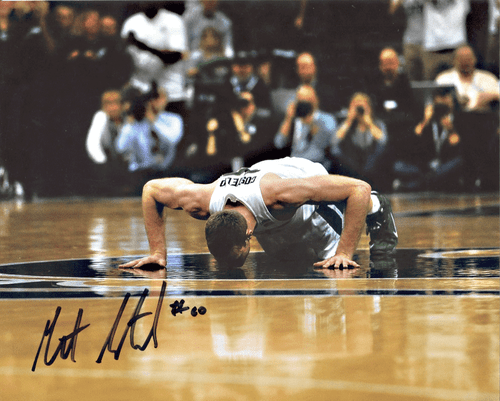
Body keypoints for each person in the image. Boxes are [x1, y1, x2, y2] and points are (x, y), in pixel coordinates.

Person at [119, 157, 398, 271]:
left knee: (331, 264)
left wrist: (345, 252)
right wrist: (158, 252)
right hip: (262, 189)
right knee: (288, 263)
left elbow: (358, 189)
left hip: (301, 178)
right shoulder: (201, 201)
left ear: (248, 237)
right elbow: (151, 189)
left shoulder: (280, 195)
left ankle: (378, 206)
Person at [393, 87, 464, 191]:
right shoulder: (428, 121)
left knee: (459, 162)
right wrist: (425, 122)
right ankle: (430, 182)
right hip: (426, 166)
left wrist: (451, 130)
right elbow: (410, 146)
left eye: (446, 102)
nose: (442, 107)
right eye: (439, 103)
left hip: (445, 165)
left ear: (452, 103)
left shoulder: (458, 120)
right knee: (398, 166)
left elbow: (460, 148)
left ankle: (413, 185)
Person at [115, 83, 184, 182]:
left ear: (166, 100)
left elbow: (172, 140)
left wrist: (154, 121)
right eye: (153, 98)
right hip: (139, 174)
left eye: (160, 97)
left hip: (165, 173)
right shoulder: (137, 122)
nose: (155, 102)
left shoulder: (173, 119)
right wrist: (130, 124)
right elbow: (121, 148)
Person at [329, 92, 389, 189]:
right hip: (351, 164)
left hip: (371, 164)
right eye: (356, 106)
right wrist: (349, 121)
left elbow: (383, 141)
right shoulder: (347, 125)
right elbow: (334, 142)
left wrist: (369, 123)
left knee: (380, 149)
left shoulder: (377, 123)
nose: (359, 109)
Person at [274, 85, 337, 170]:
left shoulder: (326, 119)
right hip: (294, 167)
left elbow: (329, 146)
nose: (305, 105)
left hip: (317, 166)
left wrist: (312, 123)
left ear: (316, 101)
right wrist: (288, 118)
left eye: (308, 101)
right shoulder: (293, 120)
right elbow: (279, 143)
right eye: (301, 101)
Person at [435, 45, 499, 112]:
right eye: (461, 59)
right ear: (453, 61)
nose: (465, 62)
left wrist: (487, 96)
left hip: (481, 118)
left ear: (475, 59)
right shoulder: (444, 79)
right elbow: (435, 100)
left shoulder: (487, 78)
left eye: (468, 59)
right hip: (453, 118)